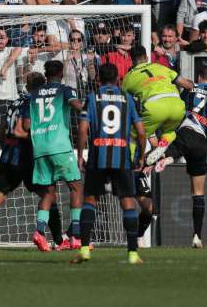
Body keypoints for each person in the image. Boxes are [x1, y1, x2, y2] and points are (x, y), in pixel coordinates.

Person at [0, 72, 62, 252]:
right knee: (49, 196)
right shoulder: (35, 102)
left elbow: (0, 130)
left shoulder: (14, 103)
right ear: (42, 87)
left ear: (27, 87)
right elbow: (28, 128)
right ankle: (59, 241)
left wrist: (7, 146)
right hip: (27, 158)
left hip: (8, 157)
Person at [71, 63, 147, 264]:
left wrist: (80, 155)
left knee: (90, 201)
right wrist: (140, 156)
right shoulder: (127, 98)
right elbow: (141, 131)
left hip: (98, 155)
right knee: (127, 202)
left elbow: (82, 128)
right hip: (122, 156)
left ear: (99, 80)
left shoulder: (92, 98)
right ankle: (132, 253)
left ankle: (85, 250)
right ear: (118, 79)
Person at [153, 67, 207, 248]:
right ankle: (197, 236)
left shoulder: (189, 88)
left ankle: (170, 157)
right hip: (202, 142)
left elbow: (179, 108)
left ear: (199, 77)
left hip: (186, 131)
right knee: (198, 193)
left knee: (178, 146)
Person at [21, 61, 84, 251]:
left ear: (46, 74)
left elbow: (26, 126)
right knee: (76, 188)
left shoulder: (32, 96)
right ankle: (76, 237)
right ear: (62, 73)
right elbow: (76, 105)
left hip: (39, 148)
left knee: (49, 192)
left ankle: (39, 232)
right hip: (60, 146)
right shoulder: (65, 90)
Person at [121, 45, 194, 167]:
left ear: (132, 60)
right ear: (146, 57)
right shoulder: (161, 67)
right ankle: (162, 145)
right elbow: (187, 85)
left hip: (154, 107)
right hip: (176, 105)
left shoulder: (128, 77)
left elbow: (124, 100)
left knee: (132, 135)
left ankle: (127, 163)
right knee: (170, 131)